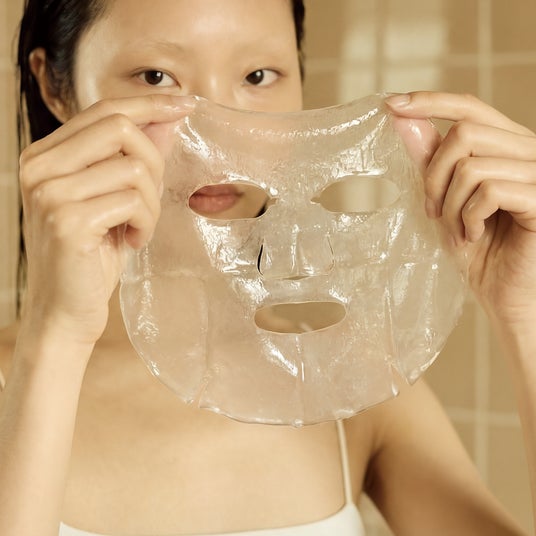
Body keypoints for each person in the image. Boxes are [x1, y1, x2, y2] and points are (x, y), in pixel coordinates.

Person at [1, 0, 535, 535]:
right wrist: (57, 336)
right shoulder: (15, 383)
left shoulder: (348, 374)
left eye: (258, 76)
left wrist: (526, 311)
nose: (224, 133)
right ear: (55, 87)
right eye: (156, 77)